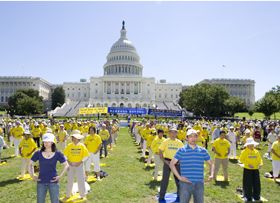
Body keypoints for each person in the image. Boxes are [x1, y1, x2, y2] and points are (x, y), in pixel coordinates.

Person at [170, 129, 214, 203]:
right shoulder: (181, 150)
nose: (193, 138)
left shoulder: (203, 151)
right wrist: (179, 178)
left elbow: (211, 164)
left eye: (195, 136)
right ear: (186, 138)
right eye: (191, 136)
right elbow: (172, 164)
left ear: (197, 138)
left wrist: (212, 175)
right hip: (185, 184)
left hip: (199, 183)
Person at [29, 133, 68, 203]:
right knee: (40, 201)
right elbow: (30, 164)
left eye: (48, 141)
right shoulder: (38, 153)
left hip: (53, 182)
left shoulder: (58, 153)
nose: (46, 143)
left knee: (55, 201)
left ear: (52, 142)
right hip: (41, 181)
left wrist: (60, 176)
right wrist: (32, 175)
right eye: (44, 142)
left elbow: (66, 165)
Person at [158, 127, 184, 202]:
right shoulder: (165, 141)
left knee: (179, 180)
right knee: (165, 180)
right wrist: (164, 161)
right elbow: (160, 151)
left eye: (175, 132)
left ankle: (180, 195)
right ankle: (162, 196)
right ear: (169, 133)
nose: (173, 134)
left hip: (176, 163)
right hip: (167, 162)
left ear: (177, 133)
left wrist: (180, 161)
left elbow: (183, 153)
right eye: (171, 132)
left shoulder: (179, 142)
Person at [63, 131, 89, 201]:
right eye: (73, 138)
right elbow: (64, 155)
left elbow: (86, 156)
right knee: (70, 180)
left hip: (79, 165)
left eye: (76, 138)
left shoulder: (82, 146)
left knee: (81, 180)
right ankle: (68, 194)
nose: (74, 139)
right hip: (70, 165)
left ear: (79, 139)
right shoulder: (69, 146)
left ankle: (82, 195)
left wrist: (80, 162)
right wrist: (68, 161)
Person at [239, 137, 263, 202]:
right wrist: (248, 164)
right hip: (247, 169)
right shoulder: (244, 152)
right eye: (250, 145)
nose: (251, 146)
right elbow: (241, 159)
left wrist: (260, 164)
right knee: (248, 183)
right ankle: (248, 196)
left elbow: (260, 159)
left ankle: (257, 196)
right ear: (247, 145)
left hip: (256, 169)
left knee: (257, 183)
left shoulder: (256, 151)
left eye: (252, 144)